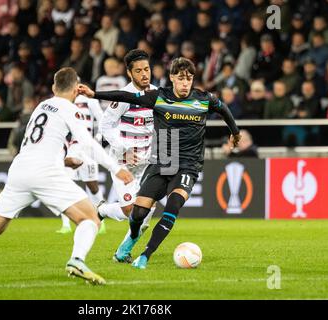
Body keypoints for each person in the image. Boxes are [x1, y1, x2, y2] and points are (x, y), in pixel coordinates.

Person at [0, 67, 134, 286]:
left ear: (54, 87)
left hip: (19, 169)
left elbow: (41, 142)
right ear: (77, 89)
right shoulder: (71, 109)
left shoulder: (41, 106)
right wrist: (115, 168)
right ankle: (76, 260)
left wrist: (64, 159)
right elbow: (87, 142)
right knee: (90, 217)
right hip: (44, 172)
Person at [78, 57, 240, 269]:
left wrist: (234, 133)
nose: (185, 83)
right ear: (172, 78)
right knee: (137, 214)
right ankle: (131, 237)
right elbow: (126, 96)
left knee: (173, 206)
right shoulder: (158, 97)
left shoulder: (203, 99)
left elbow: (223, 108)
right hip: (162, 162)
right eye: (181, 78)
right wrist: (95, 94)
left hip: (188, 166)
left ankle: (145, 256)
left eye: (189, 79)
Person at [96, 50, 158, 260]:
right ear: (130, 73)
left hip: (148, 163)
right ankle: (103, 210)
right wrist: (124, 148)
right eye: (139, 71)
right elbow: (105, 125)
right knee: (129, 211)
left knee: (147, 212)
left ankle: (122, 252)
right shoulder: (124, 97)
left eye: (147, 69)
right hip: (123, 163)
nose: (144, 74)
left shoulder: (156, 95)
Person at [56, 92, 106, 234]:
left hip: (87, 149)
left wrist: (97, 139)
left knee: (93, 186)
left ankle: (101, 221)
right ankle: (66, 225)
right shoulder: (63, 102)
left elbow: (102, 120)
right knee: (65, 183)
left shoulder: (89, 100)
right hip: (70, 149)